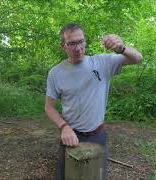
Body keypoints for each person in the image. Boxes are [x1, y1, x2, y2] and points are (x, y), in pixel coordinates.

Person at [45, 23, 143, 179]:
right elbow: (49, 107)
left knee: (95, 176)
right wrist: (64, 127)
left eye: (81, 41)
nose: (78, 48)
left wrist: (121, 48)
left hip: (97, 135)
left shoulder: (102, 63)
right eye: (71, 43)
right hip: (70, 135)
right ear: (63, 45)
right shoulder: (55, 73)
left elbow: (138, 58)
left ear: (85, 42)